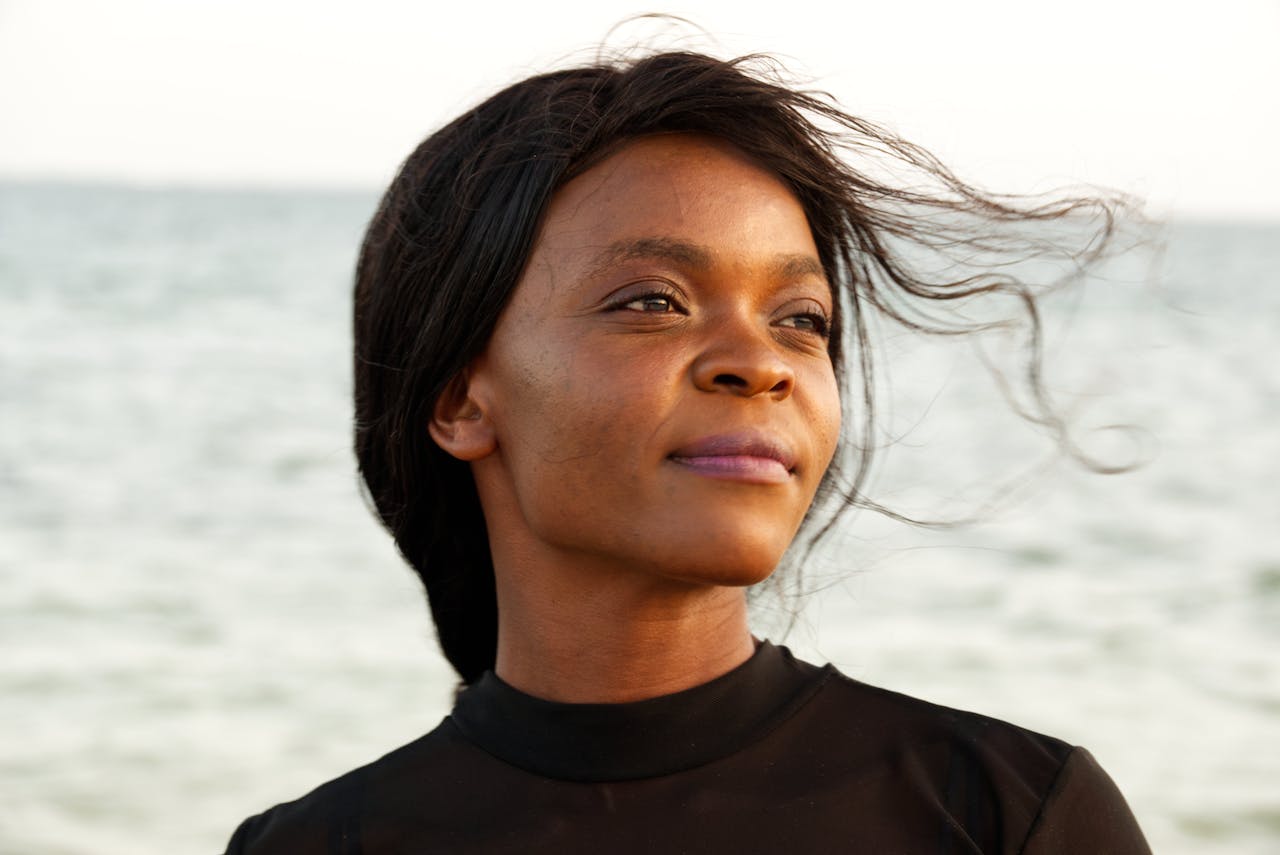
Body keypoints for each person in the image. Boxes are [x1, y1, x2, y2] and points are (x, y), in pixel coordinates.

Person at [225, 49, 1151, 853]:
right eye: (653, 301)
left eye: (801, 320)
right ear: (461, 398)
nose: (760, 363)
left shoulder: (1010, 815)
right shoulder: (317, 846)